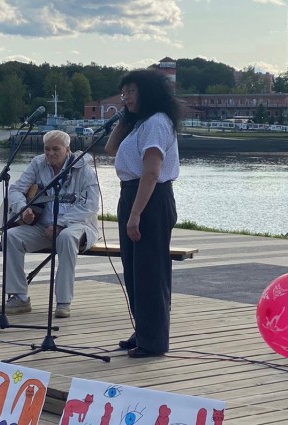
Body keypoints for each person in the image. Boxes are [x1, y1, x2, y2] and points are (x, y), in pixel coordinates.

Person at [104, 69, 180, 358]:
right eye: (123, 92)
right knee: (134, 270)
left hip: (150, 198)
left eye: (131, 91)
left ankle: (154, 340)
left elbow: (152, 172)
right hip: (131, 194)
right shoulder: (140, 124)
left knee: (150, 271)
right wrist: (124, 118)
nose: (125, 97)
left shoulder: (157, 123)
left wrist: (136, 214)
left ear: (147, 92)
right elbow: (110, 148)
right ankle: (143, 330)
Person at [0, 130, 99, 318]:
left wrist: (60, 223)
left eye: (55, 149)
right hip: (44, 226)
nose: (50, 153)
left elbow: (91, 205)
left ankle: (63, 302)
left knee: (66, 237)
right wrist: (23, 208)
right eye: (47, 149)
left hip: (78, 225)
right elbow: (16, 190)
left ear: (67, 149)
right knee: (10, 236)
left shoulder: (84, 169)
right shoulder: (38, 163)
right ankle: (19, 297)